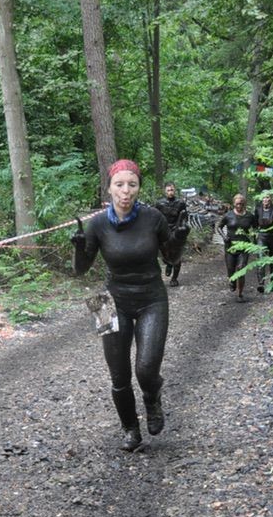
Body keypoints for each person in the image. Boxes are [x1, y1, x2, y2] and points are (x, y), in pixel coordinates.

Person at [72, 159, 188, 452]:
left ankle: (152, 397)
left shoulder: (153, 218)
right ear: (109, 188)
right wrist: (78, 247)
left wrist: (179, 239)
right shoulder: (97, 223)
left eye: (132, 185)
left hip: (151, 296)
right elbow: (80, 270)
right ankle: (130, 430)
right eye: (119, 185)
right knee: (118, 375)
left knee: (146, 370)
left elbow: (171, 258)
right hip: (108, 301)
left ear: (138, 188)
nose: (125, 191)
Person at [214, 194, 257, 302]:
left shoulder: (250, 216)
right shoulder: (228, 215)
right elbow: (219, 227)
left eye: (241, 204)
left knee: (241, 269)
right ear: (234, 204)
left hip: (244, 247)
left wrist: (254, 240)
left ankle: (240, 294)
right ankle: (232, 281)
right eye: (237, 204)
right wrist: (224, 237)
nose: (239, 206)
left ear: (244, 204)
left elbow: (256, 228)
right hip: (230, 247)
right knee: (230, 270)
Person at [154, 182, 188, 287]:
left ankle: (174, 278)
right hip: (163, 231)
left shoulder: (180, 203)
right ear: (165, 191)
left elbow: (185, 217)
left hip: (176, 230)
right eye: (168, 190)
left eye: (172, 190)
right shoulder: (160, 203)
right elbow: (155, 217)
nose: (170, 192)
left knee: (177, 255)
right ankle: (168, 263)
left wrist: (183, 229)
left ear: (175, 190)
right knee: (164, 254)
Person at [254, 194, 273, 293]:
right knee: (261, 258)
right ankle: (261, 283)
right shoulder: (258, 209)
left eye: (267, 197)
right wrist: (254, 233)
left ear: (270, 199)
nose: (265, 199)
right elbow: (254, 223)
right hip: (262, 236)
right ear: (261, 199)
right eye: (264, 197)